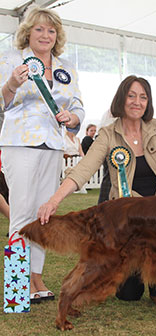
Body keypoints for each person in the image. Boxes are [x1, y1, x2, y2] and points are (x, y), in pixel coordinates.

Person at [37, 75, 156, 309]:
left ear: (148, 102)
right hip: (128, 219)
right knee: (128, 294)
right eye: (131, 96)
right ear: (122, 99)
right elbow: (83, 169)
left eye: (143, 97)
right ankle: (135, 277)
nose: (137, 102)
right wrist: (54, 200)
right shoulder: (108, 134)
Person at [0, 6, 85, 303]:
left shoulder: (67, 67)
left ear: (57, 36)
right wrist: (11, 84)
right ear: (27, 32)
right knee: (21, 213)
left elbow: (78, 107)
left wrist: (72, 119)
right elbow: (3, 102)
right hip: (19, 143)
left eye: (51, 30)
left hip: (53, 146)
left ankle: (35, 277)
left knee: (43, 215)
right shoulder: (11, 60)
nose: (45, 35)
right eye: (39, 29)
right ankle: (15, 287)